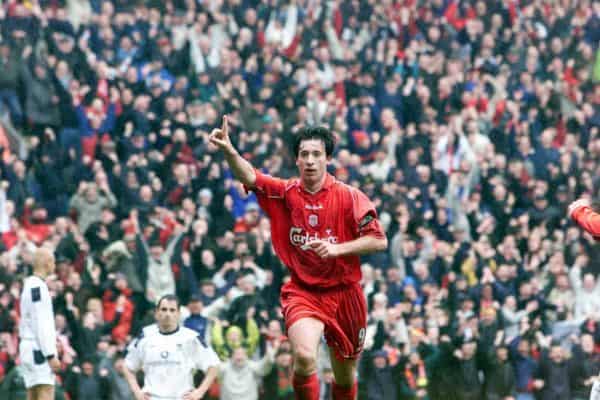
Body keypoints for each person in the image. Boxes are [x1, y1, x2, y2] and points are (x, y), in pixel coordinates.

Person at [209, 116, 388, 400]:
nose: (310, 160)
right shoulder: (286, 192)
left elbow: (378, 240)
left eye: (316, 154)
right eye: (304, 154)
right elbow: (251, 177)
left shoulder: (349, 197)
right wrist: (229, 151)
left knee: (344, 375)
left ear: (327, 158)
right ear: (296, 160)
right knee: (304, 357)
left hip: (345, 295)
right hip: (304, 292)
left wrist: (337, 249)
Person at [122, 294, 220, 400]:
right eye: (164, 309)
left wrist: (199, 392)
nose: (168, 314)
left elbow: (214, 365)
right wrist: (137, 392)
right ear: (156, 313)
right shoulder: (145, 336)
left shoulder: (191, 337)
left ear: (178, 314)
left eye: (172, 310)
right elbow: (127, 367)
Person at [18, 247, 61, 400]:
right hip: (39, 350)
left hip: (29, 348)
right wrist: (50, 354)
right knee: (45, 391)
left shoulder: (29, 284)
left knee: (32, 394)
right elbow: (41, 323)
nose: (54, 266)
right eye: (54, 262)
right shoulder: (39, 288)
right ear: (48, 263)